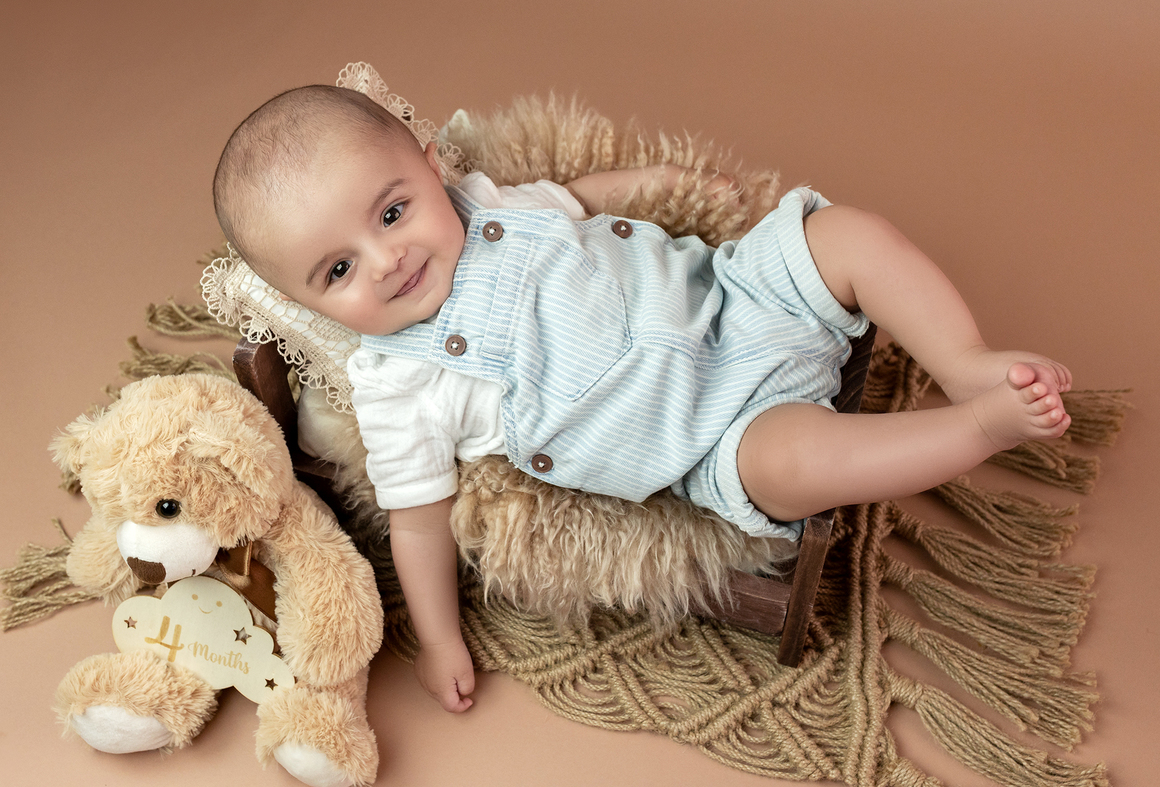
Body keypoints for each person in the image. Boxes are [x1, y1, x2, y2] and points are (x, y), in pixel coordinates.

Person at [213, 85, 1071, 714]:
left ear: (433, 170)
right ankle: (976, 426)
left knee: (844, 234)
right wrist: (439, 639)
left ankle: (964, 363)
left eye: (393, 212)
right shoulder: (397, 385)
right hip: (715, 438)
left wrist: (659, 178)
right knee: (803, 465)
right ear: (307, 301)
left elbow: (587, 197)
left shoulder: (492, 204)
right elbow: (419, 520)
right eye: (338, 270)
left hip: (737, 296)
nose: (385, 259)